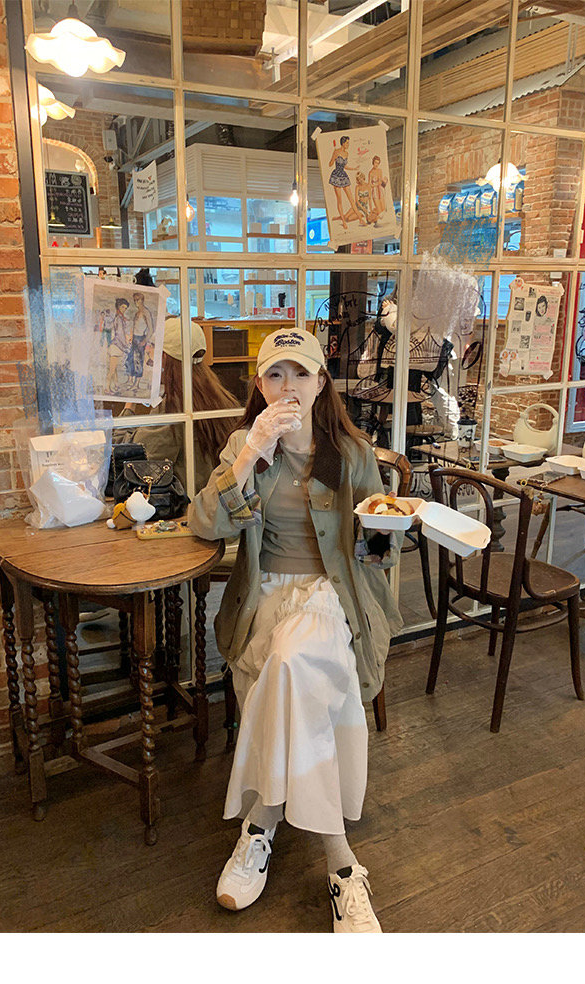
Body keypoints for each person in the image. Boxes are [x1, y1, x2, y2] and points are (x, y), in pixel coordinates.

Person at [187, 327, 403, 933]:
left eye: (301, 373)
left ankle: (261, 827)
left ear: (320, 382)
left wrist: (384, 536)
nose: (288, 386)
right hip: (263, 599)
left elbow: (378, 548)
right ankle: (341, 866)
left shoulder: (348, 453)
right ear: (259, 385)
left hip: (331, 597)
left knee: (289, 661)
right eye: (275, 374)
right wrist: (251, 452)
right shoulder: (247, 445)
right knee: (292, 671)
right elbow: (204, 523)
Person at [115, 317, 240, 493]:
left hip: (185, 504)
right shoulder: (221, 398)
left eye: (152, 349)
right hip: (212, 500)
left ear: (164, 358)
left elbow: (132, 460)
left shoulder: (172, 411)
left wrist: (129, 406)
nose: (147, 353)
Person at [327, 136, 359, 231]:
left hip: (343, 175)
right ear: (343, 143)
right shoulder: (336, 151)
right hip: (336, 176)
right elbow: (330, 164)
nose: (348, 145)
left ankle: (360, 219)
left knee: (351, 199)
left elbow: (345, 166)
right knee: (339, 200)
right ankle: (344, 222)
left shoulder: (346, 153)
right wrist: (334, 157)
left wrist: (353, 168)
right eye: (347, 143)